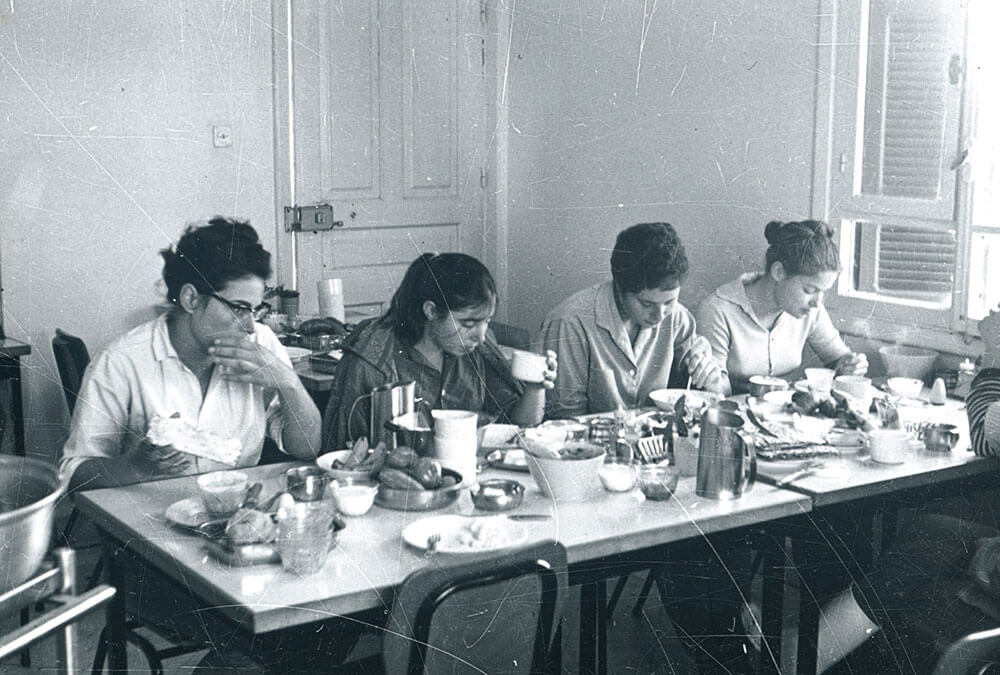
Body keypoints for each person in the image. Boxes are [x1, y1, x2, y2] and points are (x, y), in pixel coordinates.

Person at [61, 217, 322, 491]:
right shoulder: (122, 361)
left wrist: (288, 382)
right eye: (239, 308)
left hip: (236, 512)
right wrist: (135, 467)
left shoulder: (261, 343)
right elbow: (75, 473)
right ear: (191, 299)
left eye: (255, 310)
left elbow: (306, 448)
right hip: (146, 519)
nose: (249, 326)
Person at [323, 252, 556, 451]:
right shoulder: (371, 363)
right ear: (431, 311)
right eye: (468, 324)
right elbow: (341, 458)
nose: (481, 336)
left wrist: (535, 388)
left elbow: (516, 429)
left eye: (486, 321)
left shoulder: (476, 350)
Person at [540, 221, 725, 419]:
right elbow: (564, 418)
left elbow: (716, 393)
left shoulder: (677, 318)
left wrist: (710, 378)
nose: (660, 315)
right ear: (620, 289)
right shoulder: (571, 322)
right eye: (647, 304)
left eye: (669, 302)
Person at [696, 219, 868, 395]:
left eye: (823, 292)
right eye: (809, 290)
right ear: (778, 272)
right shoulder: (718, 309)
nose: (817, 302)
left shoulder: (811, 309)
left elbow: (837, 358)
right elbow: (716, 391)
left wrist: (849, 366)